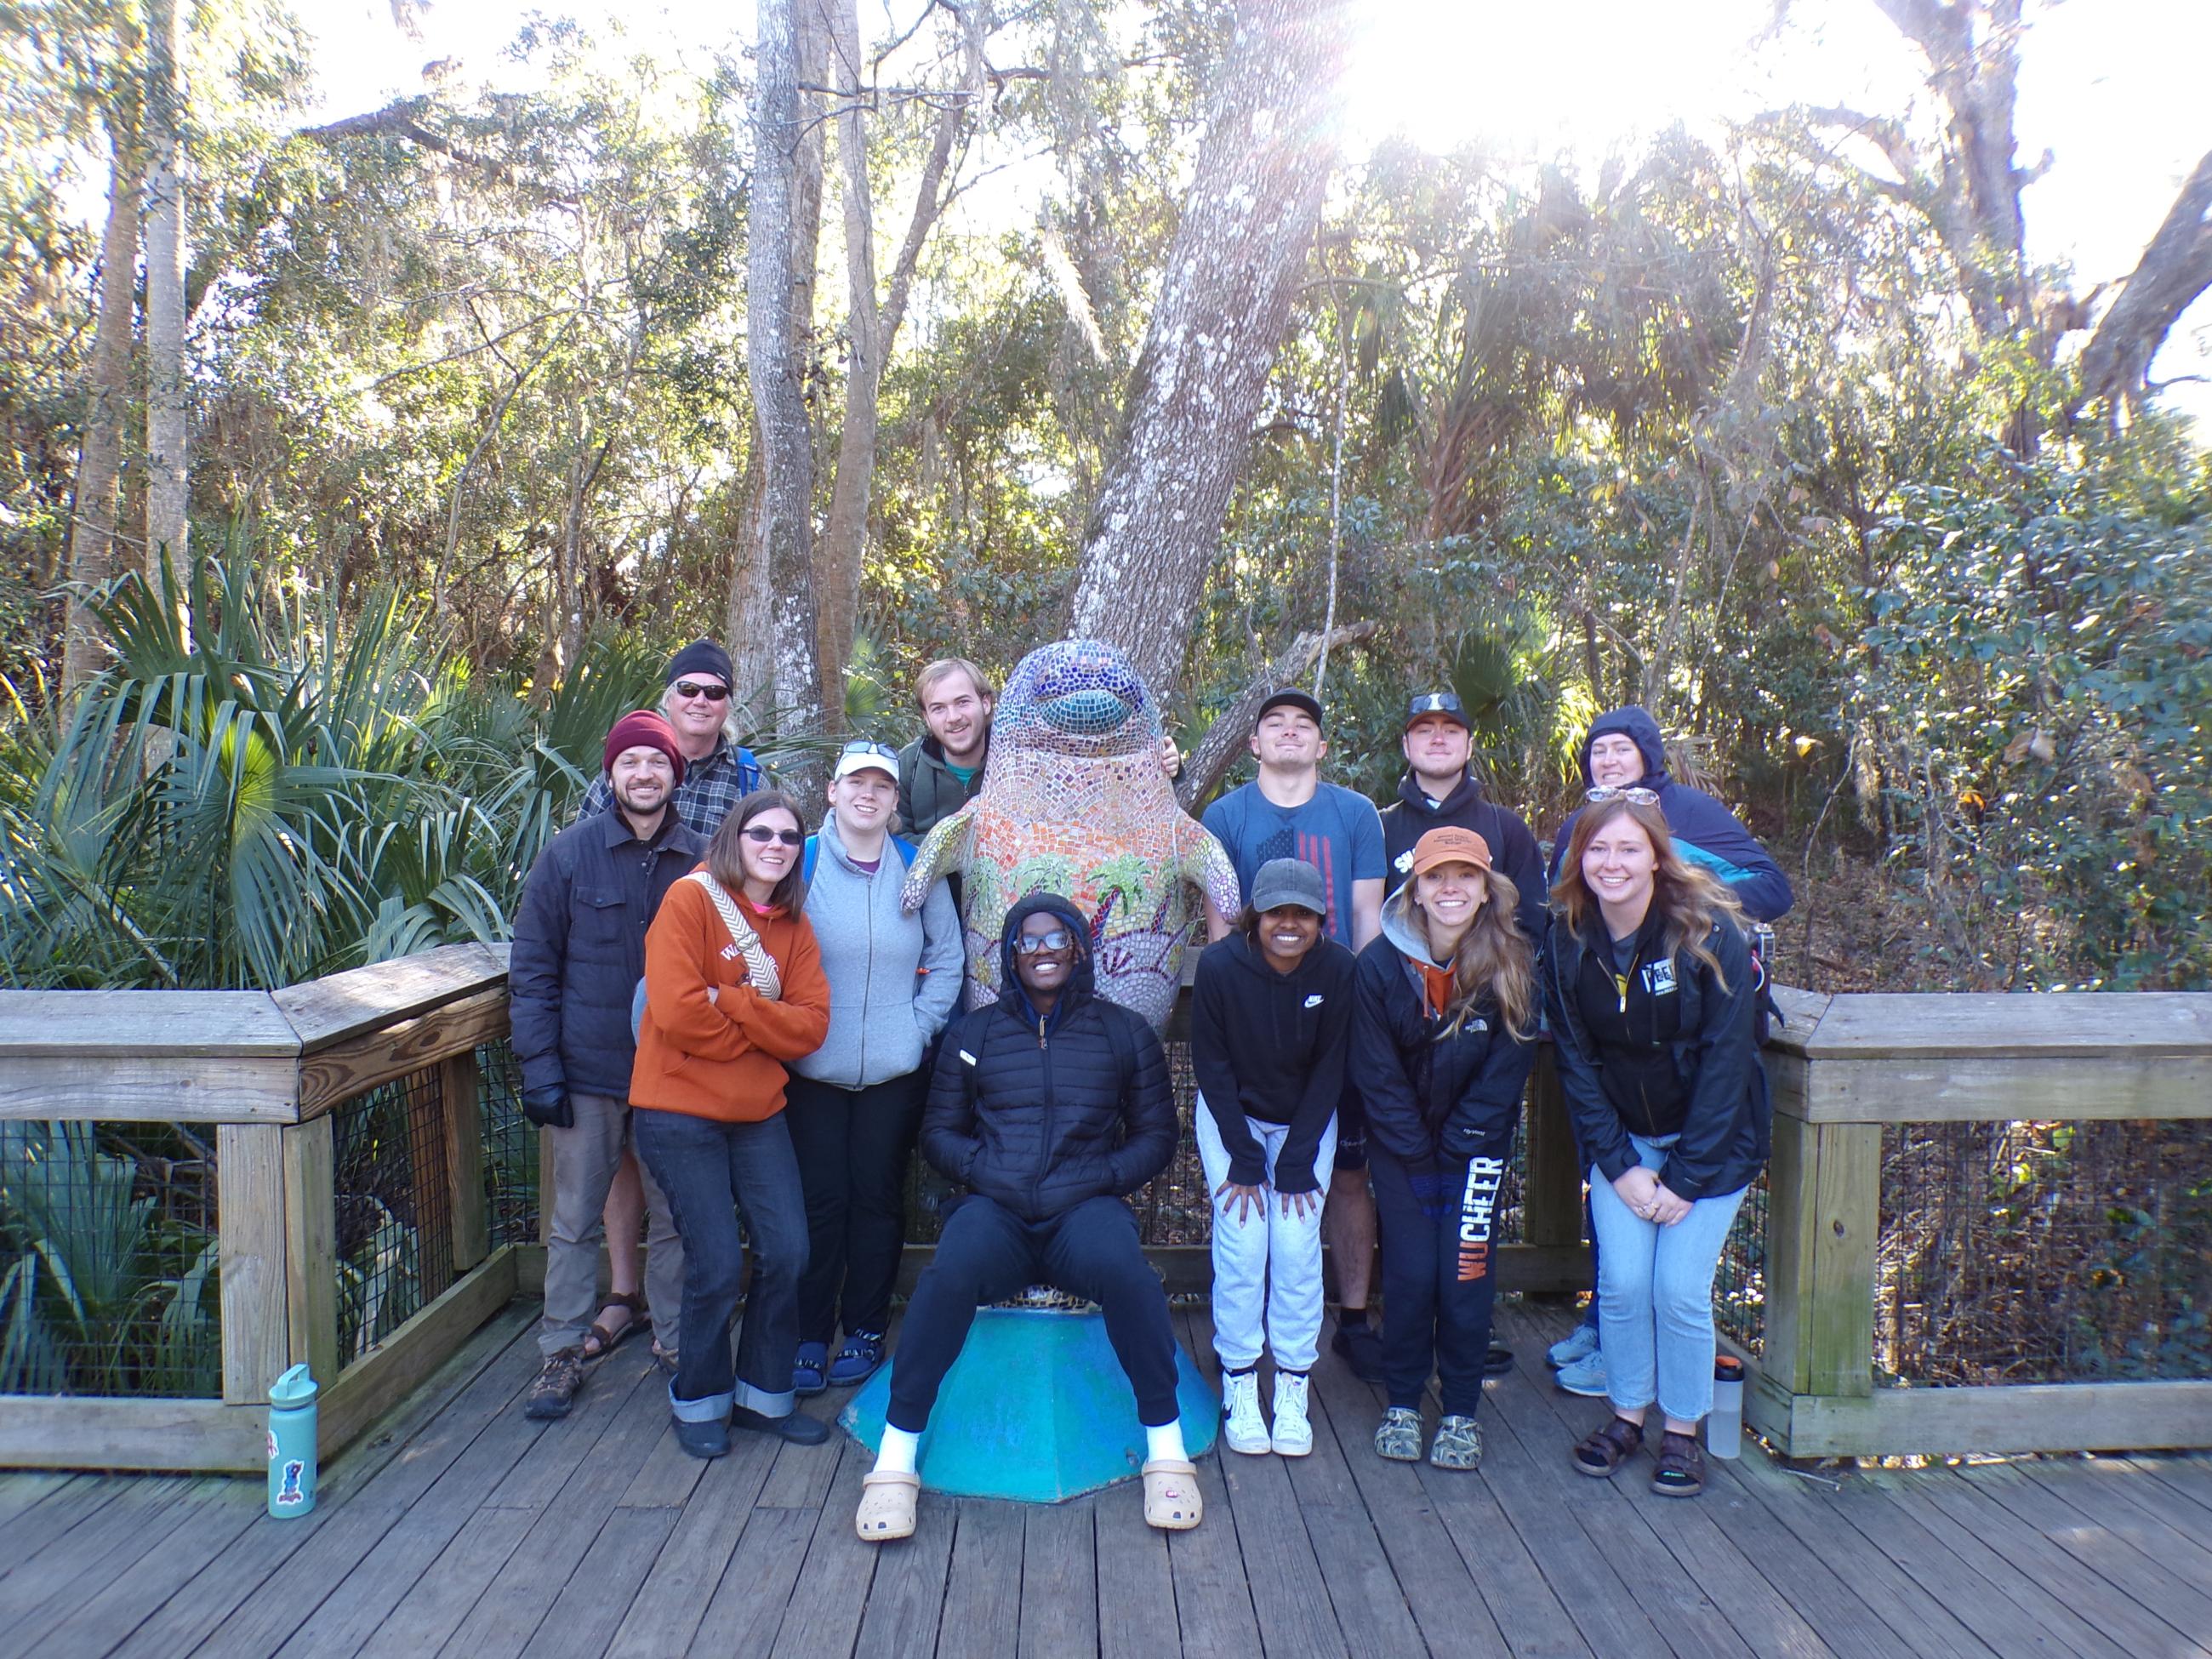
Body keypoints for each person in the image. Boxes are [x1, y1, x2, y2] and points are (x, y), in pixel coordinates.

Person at [854, 895, 1196, 1542]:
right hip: (996, 1210)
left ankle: (1166, 1450)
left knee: (1129, 1275)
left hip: (1085, 1208)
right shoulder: (973, 1035)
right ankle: (896, 1461)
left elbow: (1156, 1136)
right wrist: (989, 1173)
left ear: (1078, 948)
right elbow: (939, 1135)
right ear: (1010, 955)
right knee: (949, 1274)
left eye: (1056, 938)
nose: (1042, 951)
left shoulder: (1123, 1031)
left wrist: (1098, 1177)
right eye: (1028, 941)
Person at [1544, 707, 1791, 1399]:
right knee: (1623, 1283)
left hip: (1710, 1136)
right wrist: (1620, 1166)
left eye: (1622, 748)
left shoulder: (1695, 836)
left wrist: (1692, 896)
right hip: (1627, 1130)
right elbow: (1576, 1057)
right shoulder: (1570, 928)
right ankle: (1624, 1401)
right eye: (1598, 751)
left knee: (1677, 1291)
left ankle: (1679, 1427)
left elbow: (1775, 890)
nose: (1608, 760)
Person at [573, 637, 768, 1360]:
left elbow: (768, 881)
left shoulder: (749, 778)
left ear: (727, 702)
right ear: (668, 695)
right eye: (687, 689)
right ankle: (624, 1293)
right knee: (621, 1156)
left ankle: (683, 1310)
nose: (699, 702)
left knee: (683, 1159)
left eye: (713, 692)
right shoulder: (629, 762)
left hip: (704, 999)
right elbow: (581, 859)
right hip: (613, 993)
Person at [509, 712, 701, 1418]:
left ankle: (679, 1346)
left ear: (675, 772)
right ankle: (559, 1353)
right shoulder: (568, 855)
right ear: (611, 774)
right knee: (573, 1219)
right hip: (587, 1073)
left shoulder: (705, 860)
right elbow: (531, 969)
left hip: (675, 1077)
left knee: (676, 1217)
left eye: (657, 761)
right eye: (630, 763)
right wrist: (541, 1069)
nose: (644, 774)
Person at [631, 790, 831, 1458]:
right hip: (678, 1111)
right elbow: (678, 1012)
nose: (776, 845)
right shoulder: (690, 902)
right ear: (734, 838)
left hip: (758, 1116)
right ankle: (700, 1400)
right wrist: (760, 1032)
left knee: (789, 1251)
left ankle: (764, 1398)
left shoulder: (794, 927)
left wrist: (737, 1003)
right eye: (761, 833)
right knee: (715, 1261)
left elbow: (811, 1027)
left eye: (789, 837)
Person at [1201, 688, 1388, 1381]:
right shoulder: (1226, 815)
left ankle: (1354, 1317)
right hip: (1254, 1014)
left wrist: (1366, 1011)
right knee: (1251, 1222)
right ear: (1253, 742)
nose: (1288, 733)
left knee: (1344, 1176)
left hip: (1336, 1009)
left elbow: (1367, 918)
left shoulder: (1355, 814)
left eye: (1303, 724)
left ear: (1322, 745)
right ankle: (1242, 1367)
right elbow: (1223, 919)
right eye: (1274, 723)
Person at [1354, 828, 1537, 1469]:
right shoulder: (1379, 965)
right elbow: (1375, 1071)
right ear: (1416, 888)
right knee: (1409, 1274)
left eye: (1465, 876)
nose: (1450, 889)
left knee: (1464, 1275)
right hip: (1404, 1155)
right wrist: (1414, 1149)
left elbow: (1510, 1065)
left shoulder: (1512, 961)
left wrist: (1459, 1142)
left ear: (1488, 888)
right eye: (1436, 877)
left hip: (1475, 1153)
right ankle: (1403, 1399)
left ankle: (1459, 1408)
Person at [787, 740, 964, 1395]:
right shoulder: (798, 862)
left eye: (881, 786)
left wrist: (916, 1032)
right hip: (811, 1071)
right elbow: (766, 950)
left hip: (895, 1070)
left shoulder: (917, 867)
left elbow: (947, 959)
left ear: (895, 801)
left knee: (878, 1200)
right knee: (820, 1203)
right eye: (855, 782)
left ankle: (864, 1328)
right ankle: (809, 1332)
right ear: (832, 792)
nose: (868, 794)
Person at [1190, 858, 1355, 1458]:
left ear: (1320, 920)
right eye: (1277, 912)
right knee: (1242, 1239)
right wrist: (1241, 1153)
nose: (1290, 924)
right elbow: (1210, 1063)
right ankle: (1238, 1377)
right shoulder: (1219, 967)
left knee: (1292, 1242)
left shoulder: (1338, 970)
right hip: (1232, 1116)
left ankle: (1291, 1381)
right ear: (1254, 917)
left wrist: (1297, 1156)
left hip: (1305, 1122)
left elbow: (1332, 1063)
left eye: (1303, 914)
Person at [1378, 692, 1547, 945]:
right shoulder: (1379, 827)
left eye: (1451, 731)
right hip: (1402, 981)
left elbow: (1534, 923)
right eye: (1424, 731)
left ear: (1469, 746)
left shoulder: (1506, 827)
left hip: (1491, 979)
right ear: (1406, 746)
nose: (1437, 739)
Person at [897, 657, 994, 837]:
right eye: (939, 708)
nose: (953, 717)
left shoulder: (1017, 760)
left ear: (985, 703)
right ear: (926, 717)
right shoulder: (908, 766)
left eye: (962, 702)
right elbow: (895, 838)